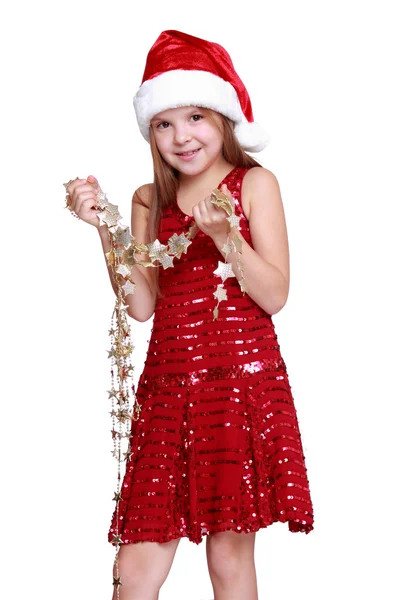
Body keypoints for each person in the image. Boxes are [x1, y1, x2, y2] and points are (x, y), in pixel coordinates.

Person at [66, 29, 314, 600]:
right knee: (136, 566)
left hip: (237, 387)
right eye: (164, 123)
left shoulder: (254, 184)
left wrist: (228, 239)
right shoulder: (149, 201)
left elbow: (275, 294)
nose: (181, 136)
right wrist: (107, 227)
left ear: (223, 117)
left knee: (229, 558)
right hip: (169, 390)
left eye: (196, 117)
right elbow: (141, 305)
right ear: (150, 131)